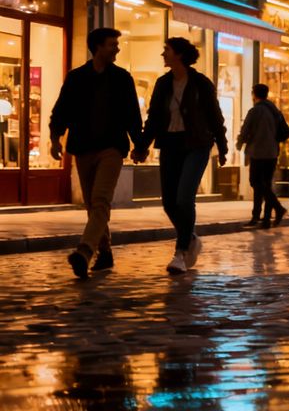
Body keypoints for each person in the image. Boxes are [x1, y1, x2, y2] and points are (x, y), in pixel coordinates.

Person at [49, 27, 144, 278]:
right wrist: (54, 137)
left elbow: (132, 115)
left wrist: (140, 145)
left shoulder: (122, 78)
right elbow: (62, 109)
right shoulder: (76, 77)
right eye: (113, 44)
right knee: (92, 204)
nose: (117, 49)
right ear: (98, 47)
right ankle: (106, 251)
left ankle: (84, 251)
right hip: (83, 148)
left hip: (111, 147)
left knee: (101, 200)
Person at [136, 37, 227, 275]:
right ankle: (191, 237)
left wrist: (223, 146)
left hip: (196, 144)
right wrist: (142, 146)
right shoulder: (163, 83)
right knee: (169, 202)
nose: (163, 54)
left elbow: (215, 116)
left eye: (166, 50)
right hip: (170, 144)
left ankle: (181, 252)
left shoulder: (200, 83)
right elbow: (154, 118)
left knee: (185, 198)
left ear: (179, 55)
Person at [237, 83, 288, 229]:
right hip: (272, 152)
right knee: (265, 185)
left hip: (258, 152)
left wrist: (239, 144)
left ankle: (276, 209)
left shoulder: (255, 111)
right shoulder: (275, 110)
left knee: (256, 183)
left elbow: (245, 129)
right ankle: (264, 219)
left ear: (254, 94)